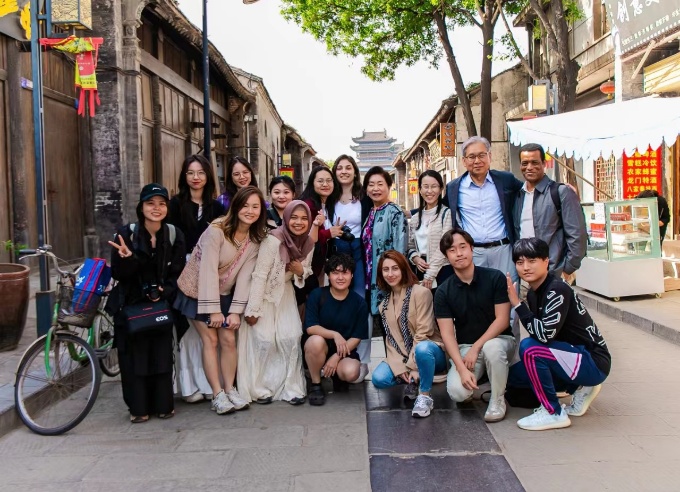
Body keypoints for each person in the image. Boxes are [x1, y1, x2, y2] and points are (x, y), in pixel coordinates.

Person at [174, 186, 267, 415]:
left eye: (255, 207)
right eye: (245, 205)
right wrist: (213, 310)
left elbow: (244, 277)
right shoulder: (216, 231)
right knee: (211, 339)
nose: (250, 211)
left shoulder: (254, 239)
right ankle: (217, 394)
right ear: (235, 207)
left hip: (224, 293)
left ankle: (230, 389)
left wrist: (235, 311)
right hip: (197, 292)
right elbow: (207, 271)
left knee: (228, 340)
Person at [506, 238, 611, 431]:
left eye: (532, 261)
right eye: (520, 262)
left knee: (529, 349)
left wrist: (518, 305)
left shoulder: (557, 289)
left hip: (593, 362)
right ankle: (578, 386)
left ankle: (553, 413)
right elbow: (542, 334)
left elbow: (544, 336)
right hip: (570, 355)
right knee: (514, 378)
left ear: (546, 261)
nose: (525, 267)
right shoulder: (534, 292)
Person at [107, 183, 186, 423]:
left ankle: (163, 405)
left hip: (160, 304)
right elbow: (119, 274)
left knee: (161, 356)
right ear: (141, 207)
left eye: (161, 204)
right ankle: (138, 408)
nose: (156, 208)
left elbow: (179, 272)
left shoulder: (173, 234)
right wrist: (127, 259)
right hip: (131, 305)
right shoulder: (126, 234)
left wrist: (165, 290)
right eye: (150, 203)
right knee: (134, 358)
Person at [434, 228, 515, 423]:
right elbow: (447, 335)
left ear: (471, 248)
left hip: (500, 341)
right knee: (457, 393)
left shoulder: (494, 278)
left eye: (463, 247)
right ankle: (482, 378)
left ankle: (497, 400)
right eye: (452, 250)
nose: (459, 253)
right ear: (446, 257)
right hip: (467, 349)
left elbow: (503, 320)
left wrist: (477, 347)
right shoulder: (443, 292)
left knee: (491, 347)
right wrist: (461, 368)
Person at [239, 201, 315, 405]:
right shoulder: (273, 240)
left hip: (286, 294)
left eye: (304, 218)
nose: (299, 222)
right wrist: (253, 308)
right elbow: (260, 274)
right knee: (263, 339)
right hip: (263, 294)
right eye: (294, 217)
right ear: (286, 218)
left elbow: (306, 269)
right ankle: (260, 388)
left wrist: (300, 271)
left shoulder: (308, 243)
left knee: (291, 336)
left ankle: (291, 387)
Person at [167, 154, 226, 404]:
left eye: (200, 172)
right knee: (188, 333)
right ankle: (190, 385)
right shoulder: (174, 205)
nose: (196, 177)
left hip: (212, 274)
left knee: (211, 333)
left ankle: (211, 383)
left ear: (208, 176)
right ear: (184, 176)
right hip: (184, 273)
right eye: (191, 173)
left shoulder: (217, 208)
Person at [371, 251, 447, 418]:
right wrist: (399, 368)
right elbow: (391, 340)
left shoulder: (421, 293)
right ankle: (413, 380)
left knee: (422, 350)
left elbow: (424, 331)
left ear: (403, 269)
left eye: (395, 268)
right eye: (385, 270)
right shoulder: (384, 305)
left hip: (431, 351)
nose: (390, 274)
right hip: (405, 354)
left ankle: (424, 395)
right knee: (379, 378)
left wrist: (413, 366)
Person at [445, 136, 522, 282]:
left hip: (503, 250)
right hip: (474, 253)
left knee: (508, 291)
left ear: (489, 156)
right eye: (471, 157)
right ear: (464, 161)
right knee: (476, 293)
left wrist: (559, 189)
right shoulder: (453, 187)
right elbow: (440, 208)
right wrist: (411, 213)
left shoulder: (506, 180)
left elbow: (528, 191)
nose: (477, 161)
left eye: (482, 155)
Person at [512, 143, 587, 281]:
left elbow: (578, 235)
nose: (529, 167)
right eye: (525, 163)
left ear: (544, 163)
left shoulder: (561, 192)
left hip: (553, 273)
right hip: (524, 275)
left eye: (534, 162)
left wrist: (567, 268)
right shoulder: (518, 195)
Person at [303, 254, 369, 406]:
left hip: (344, 350)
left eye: (345, 273)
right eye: (335, 273)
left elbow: (357, 337)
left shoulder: (359, 303)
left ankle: (337, 376)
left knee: (351, 372)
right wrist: (335, 334)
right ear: (328, 275)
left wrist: (336, 357)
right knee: (315, 341)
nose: (340, 277)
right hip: (320, 347)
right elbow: (311, 327)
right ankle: (316, 384)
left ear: (352, 275)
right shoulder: (317, 295)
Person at [331, 154, 372, 382]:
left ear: (355, 172)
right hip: (337, 252)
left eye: (348, 167)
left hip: (359, 252)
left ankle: (362, 359)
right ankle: (340, 354)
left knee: (360, 304)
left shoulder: (363, 197)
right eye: (340, 168)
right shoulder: (330, 197)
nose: (344, 171)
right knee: (337, 304)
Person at [362, 166, 408, 317]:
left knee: (390, 322)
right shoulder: (370, 212)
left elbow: (400, 250)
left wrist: (394, 278)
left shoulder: (395, 212)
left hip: (389, 278)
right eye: (371, 184)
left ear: (389, 186)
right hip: (371, 277)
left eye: (380, 184)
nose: (375, 188)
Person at [407, 170, 451, 290]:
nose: (429, 191)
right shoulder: (415, 218)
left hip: (442, 271)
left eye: (434, 186)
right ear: (420, 190)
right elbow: (410, 246)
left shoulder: (447, 214)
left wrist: (430, 274)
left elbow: (445, 246)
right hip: (420, 271)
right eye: (425, 187)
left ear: (441, 189)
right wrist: (415, 258)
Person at [301, 166, 345, 286]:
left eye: (329, 180)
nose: (325, 184)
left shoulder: (328, 204)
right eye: (320, 181)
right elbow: (304, 235)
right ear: (312, 183)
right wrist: (329, 233)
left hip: (319, 262)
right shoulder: (308, 205)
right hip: (307, 264)